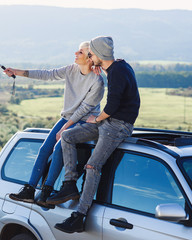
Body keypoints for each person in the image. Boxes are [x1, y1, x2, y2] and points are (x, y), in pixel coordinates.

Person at [46, 36, 141, 233]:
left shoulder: (117, 72)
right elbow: (115, 87)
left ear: (98, 54)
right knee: (67, 136)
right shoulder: (118, 67)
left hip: (118, 126)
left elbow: (113, 105)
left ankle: (79, 216)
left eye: (91, 54)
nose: (89, 58)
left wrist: (97, 119)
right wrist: (103, 69)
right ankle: (70, 183)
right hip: (109, 121)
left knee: (92, 165)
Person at [3, 41, 105, 208]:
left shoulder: (97, 82)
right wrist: (16, 72)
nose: (75, 53)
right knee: (44, 149)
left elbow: (84, 109)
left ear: (89, 58)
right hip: (67, 118)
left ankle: (46, 191)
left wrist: (64, 129)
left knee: (59, 148)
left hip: (83, 120)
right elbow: (46, 74)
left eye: (80, 52)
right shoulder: (70, 69)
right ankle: (29, 190)